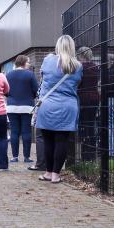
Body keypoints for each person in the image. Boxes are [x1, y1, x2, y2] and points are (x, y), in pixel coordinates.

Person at [35, 35, 84, 183]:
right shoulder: (78, 65)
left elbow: (42, 78)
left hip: (48, 105)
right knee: (62, 141)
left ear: (58, 46)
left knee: (48, 140)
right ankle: (56, 175)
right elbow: (78, 84)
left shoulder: (48, 60)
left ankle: (48, 173)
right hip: (68, 106)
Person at [6, 55, 39, 163]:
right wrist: (30, 97)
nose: (29, 64)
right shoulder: (30, 75)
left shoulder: (8, 75)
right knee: (26, 132)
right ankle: (26, 157)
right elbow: (36, 90)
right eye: (28, 62)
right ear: (24, 63)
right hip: (27, 106)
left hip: (11, 107)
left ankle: (14, 157)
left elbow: (5, 91)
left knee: (14, 132)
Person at [77, 47, 100, 161]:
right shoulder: (95, 67)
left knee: (83, 127)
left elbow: (78, 83)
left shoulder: (80, 68)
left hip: (83, 99)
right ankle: (92, 155)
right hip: (94, 98)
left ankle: (85, 155)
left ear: (81, 55)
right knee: (91, 126)